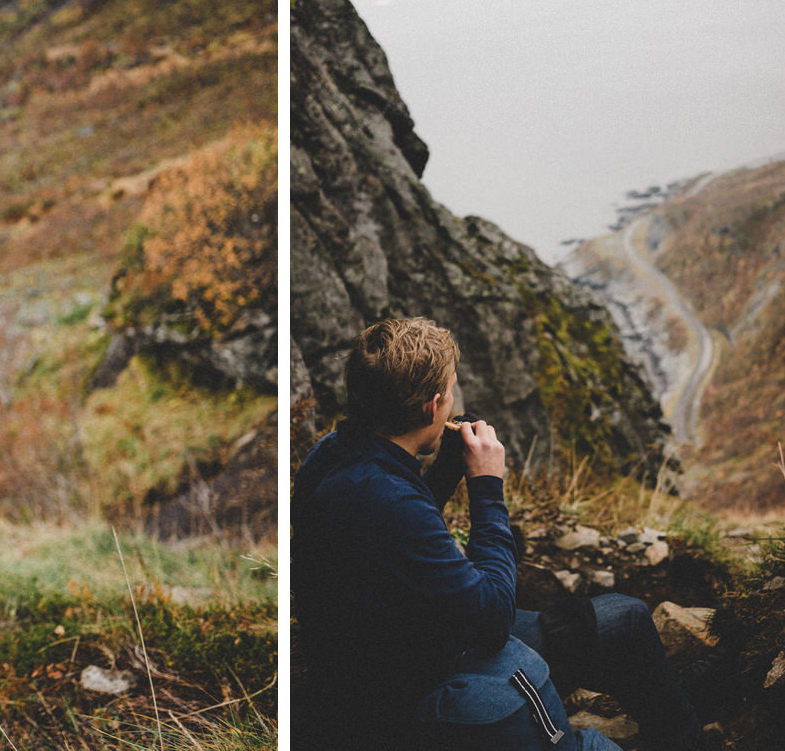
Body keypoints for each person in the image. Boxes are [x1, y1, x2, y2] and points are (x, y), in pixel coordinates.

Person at [291, 317, 706, 750]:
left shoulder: (332, 457)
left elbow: (393, 541)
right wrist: (487, 487)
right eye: (450, 390)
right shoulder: (388, 499)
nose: (451, 402)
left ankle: (659, 689)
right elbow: (491, 619)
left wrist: (448, 471)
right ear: (431, 407)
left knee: (623, 624)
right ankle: (684, 736)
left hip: (380, 658)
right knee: (627, 619)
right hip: (418, 690)